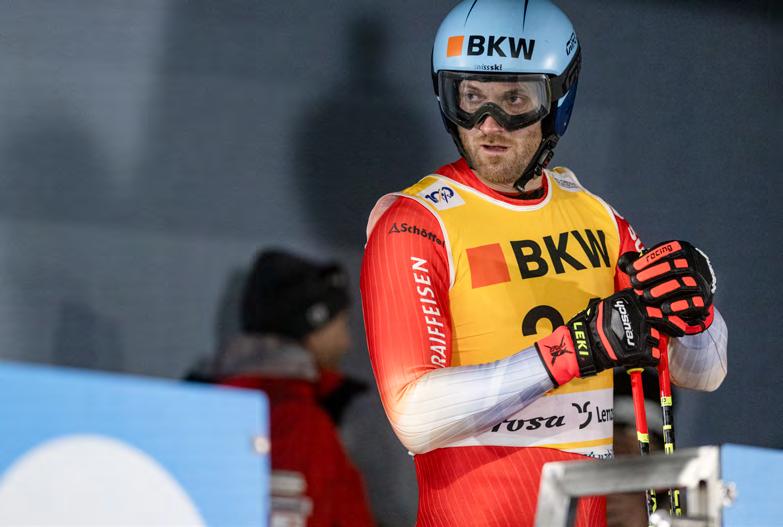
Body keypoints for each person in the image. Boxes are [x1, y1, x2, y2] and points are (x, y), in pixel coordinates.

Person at [359, 1, 728, 526]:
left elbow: (704, 370)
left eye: (515, 99)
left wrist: (698, 307)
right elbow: (413, 415)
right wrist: (574, 350)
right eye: (470, 98)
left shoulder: (594, 215)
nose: (489, 124)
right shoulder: (415, 223)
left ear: (558, 98)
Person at [215, 249, 375, 527]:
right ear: (312, 328)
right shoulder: (298, 421)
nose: (347, 342)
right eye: (341, 324)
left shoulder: (207, 407)